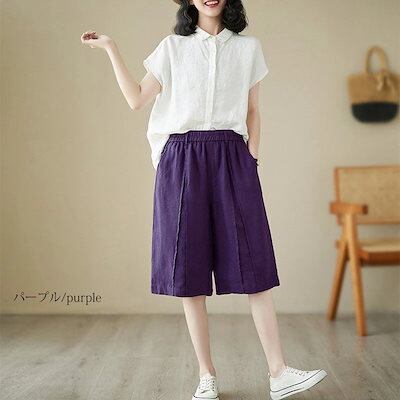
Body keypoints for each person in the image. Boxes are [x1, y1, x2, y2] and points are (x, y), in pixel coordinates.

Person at [81, 1, 327, 399]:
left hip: (232, 155)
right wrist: (111, 48)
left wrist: (251, 159)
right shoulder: (172, 48)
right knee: (188, 269)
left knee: (255, 262)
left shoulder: (248, 49)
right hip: (182, 159)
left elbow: (253, 110)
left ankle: (279, 372)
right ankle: (206, 375)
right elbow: (136, 99)